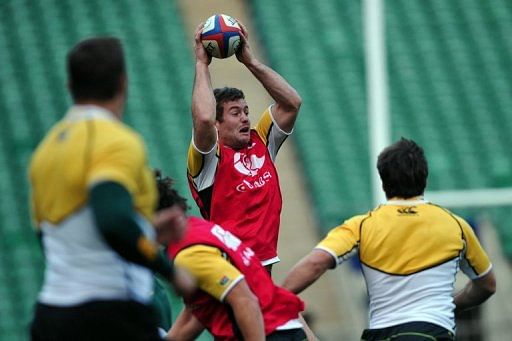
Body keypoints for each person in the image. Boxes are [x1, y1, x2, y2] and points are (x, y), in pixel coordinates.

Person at [29, 37, 180, 340]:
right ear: (123, 83)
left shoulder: (45, 152)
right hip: (111, 314)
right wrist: (170, 270)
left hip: (52, 315)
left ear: (70, 86)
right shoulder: (116, 140)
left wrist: (146, 229)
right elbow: (112, 220)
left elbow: (56, 235)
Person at [282, 138, 496, 340]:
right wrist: (451, 303)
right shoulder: (456, 226)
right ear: (424, 177)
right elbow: (487, 285)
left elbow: (315, 262)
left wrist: (276, 297)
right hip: (433, 331)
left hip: (383, 333)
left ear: (383, 182)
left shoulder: (361, 225)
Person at [187, 20, 302, 271]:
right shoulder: (208, 160)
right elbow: (204, 118)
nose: (245, 118)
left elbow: (292, 102)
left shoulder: (261, 140)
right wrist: (201, 64)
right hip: (230, 266)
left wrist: (251, 62)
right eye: (235, 112)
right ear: (218, 124)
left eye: (246, 111)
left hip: (262, 265)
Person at [153, 172, 307, 341]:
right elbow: (199, 310)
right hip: (279, 327)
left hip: (269, 332)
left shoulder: (189, 253)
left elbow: (244, 300)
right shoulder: (197, 228)